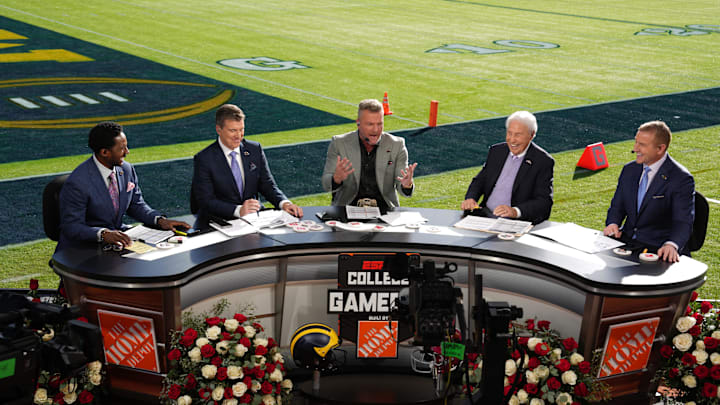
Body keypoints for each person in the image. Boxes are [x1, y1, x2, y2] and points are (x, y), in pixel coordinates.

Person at [57, 121, 189, 249]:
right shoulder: (77, 182)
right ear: (104, 152)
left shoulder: (126, 169)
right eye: (122, 148)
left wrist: (160, 220)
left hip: (118, 241)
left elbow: (136, 205)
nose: (127, 152)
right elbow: (72, 226)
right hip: (83, 248)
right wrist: (103, 234)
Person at [603, 121, 694, 262]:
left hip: (658, 250)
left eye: (642, 145)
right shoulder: (629, 170)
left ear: (660, 149)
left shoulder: (681, 178)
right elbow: (617, 206)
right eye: (636, 142)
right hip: (626, 244)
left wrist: (671, 244)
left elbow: (683, 221)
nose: (635, 148)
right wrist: (613, 223)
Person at [191, 104, 302, 220]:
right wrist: (239, 210)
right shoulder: (204, 158)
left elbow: (268, 185)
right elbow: (205, 200)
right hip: (221, 221)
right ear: (219, 129)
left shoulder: (255, 149)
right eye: (233, 130)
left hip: (255, 218)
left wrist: (284, 203)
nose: (238, 136)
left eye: (241, 129)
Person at [321, 99, 418, 212]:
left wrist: (406, 185)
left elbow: (402, 186)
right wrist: (336, 179)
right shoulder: (339, 143)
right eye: (370, 124)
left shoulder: (397, 145)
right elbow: (326, 184)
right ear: (358, 123)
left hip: (385, 212)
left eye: (379, 124)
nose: (376, 130)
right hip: (346, 212)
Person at [460, 111, 554, 224]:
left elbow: (544, 202)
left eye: (518, 135)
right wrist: (471, 198)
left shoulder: (543, 161)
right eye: (509, 133)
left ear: (531, 135)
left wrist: (515, 211)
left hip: (514, 222)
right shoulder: (497, 151)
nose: (512, 140)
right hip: (484, 215)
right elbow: (480, 180)